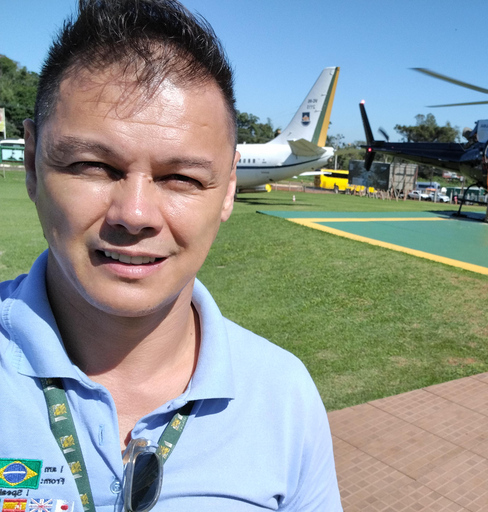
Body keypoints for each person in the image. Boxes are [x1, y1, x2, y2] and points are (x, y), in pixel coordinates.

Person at [0, 1, 342, 511]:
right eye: (92, 166)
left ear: (226, 190)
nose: (135, 214)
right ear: (32, 164)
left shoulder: (284, 395)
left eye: (181, 178)